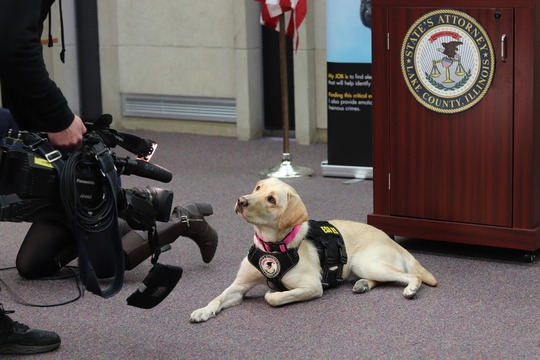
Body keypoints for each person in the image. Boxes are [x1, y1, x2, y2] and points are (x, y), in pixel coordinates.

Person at [0, 0, 218, 355]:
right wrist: (54, 120)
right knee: (32, 265)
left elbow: (11, 59)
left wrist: (48, 125)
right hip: (53, 146)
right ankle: (119, 212)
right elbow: (13, 48)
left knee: (100, 267)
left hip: (75, 170)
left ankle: (181, 219)